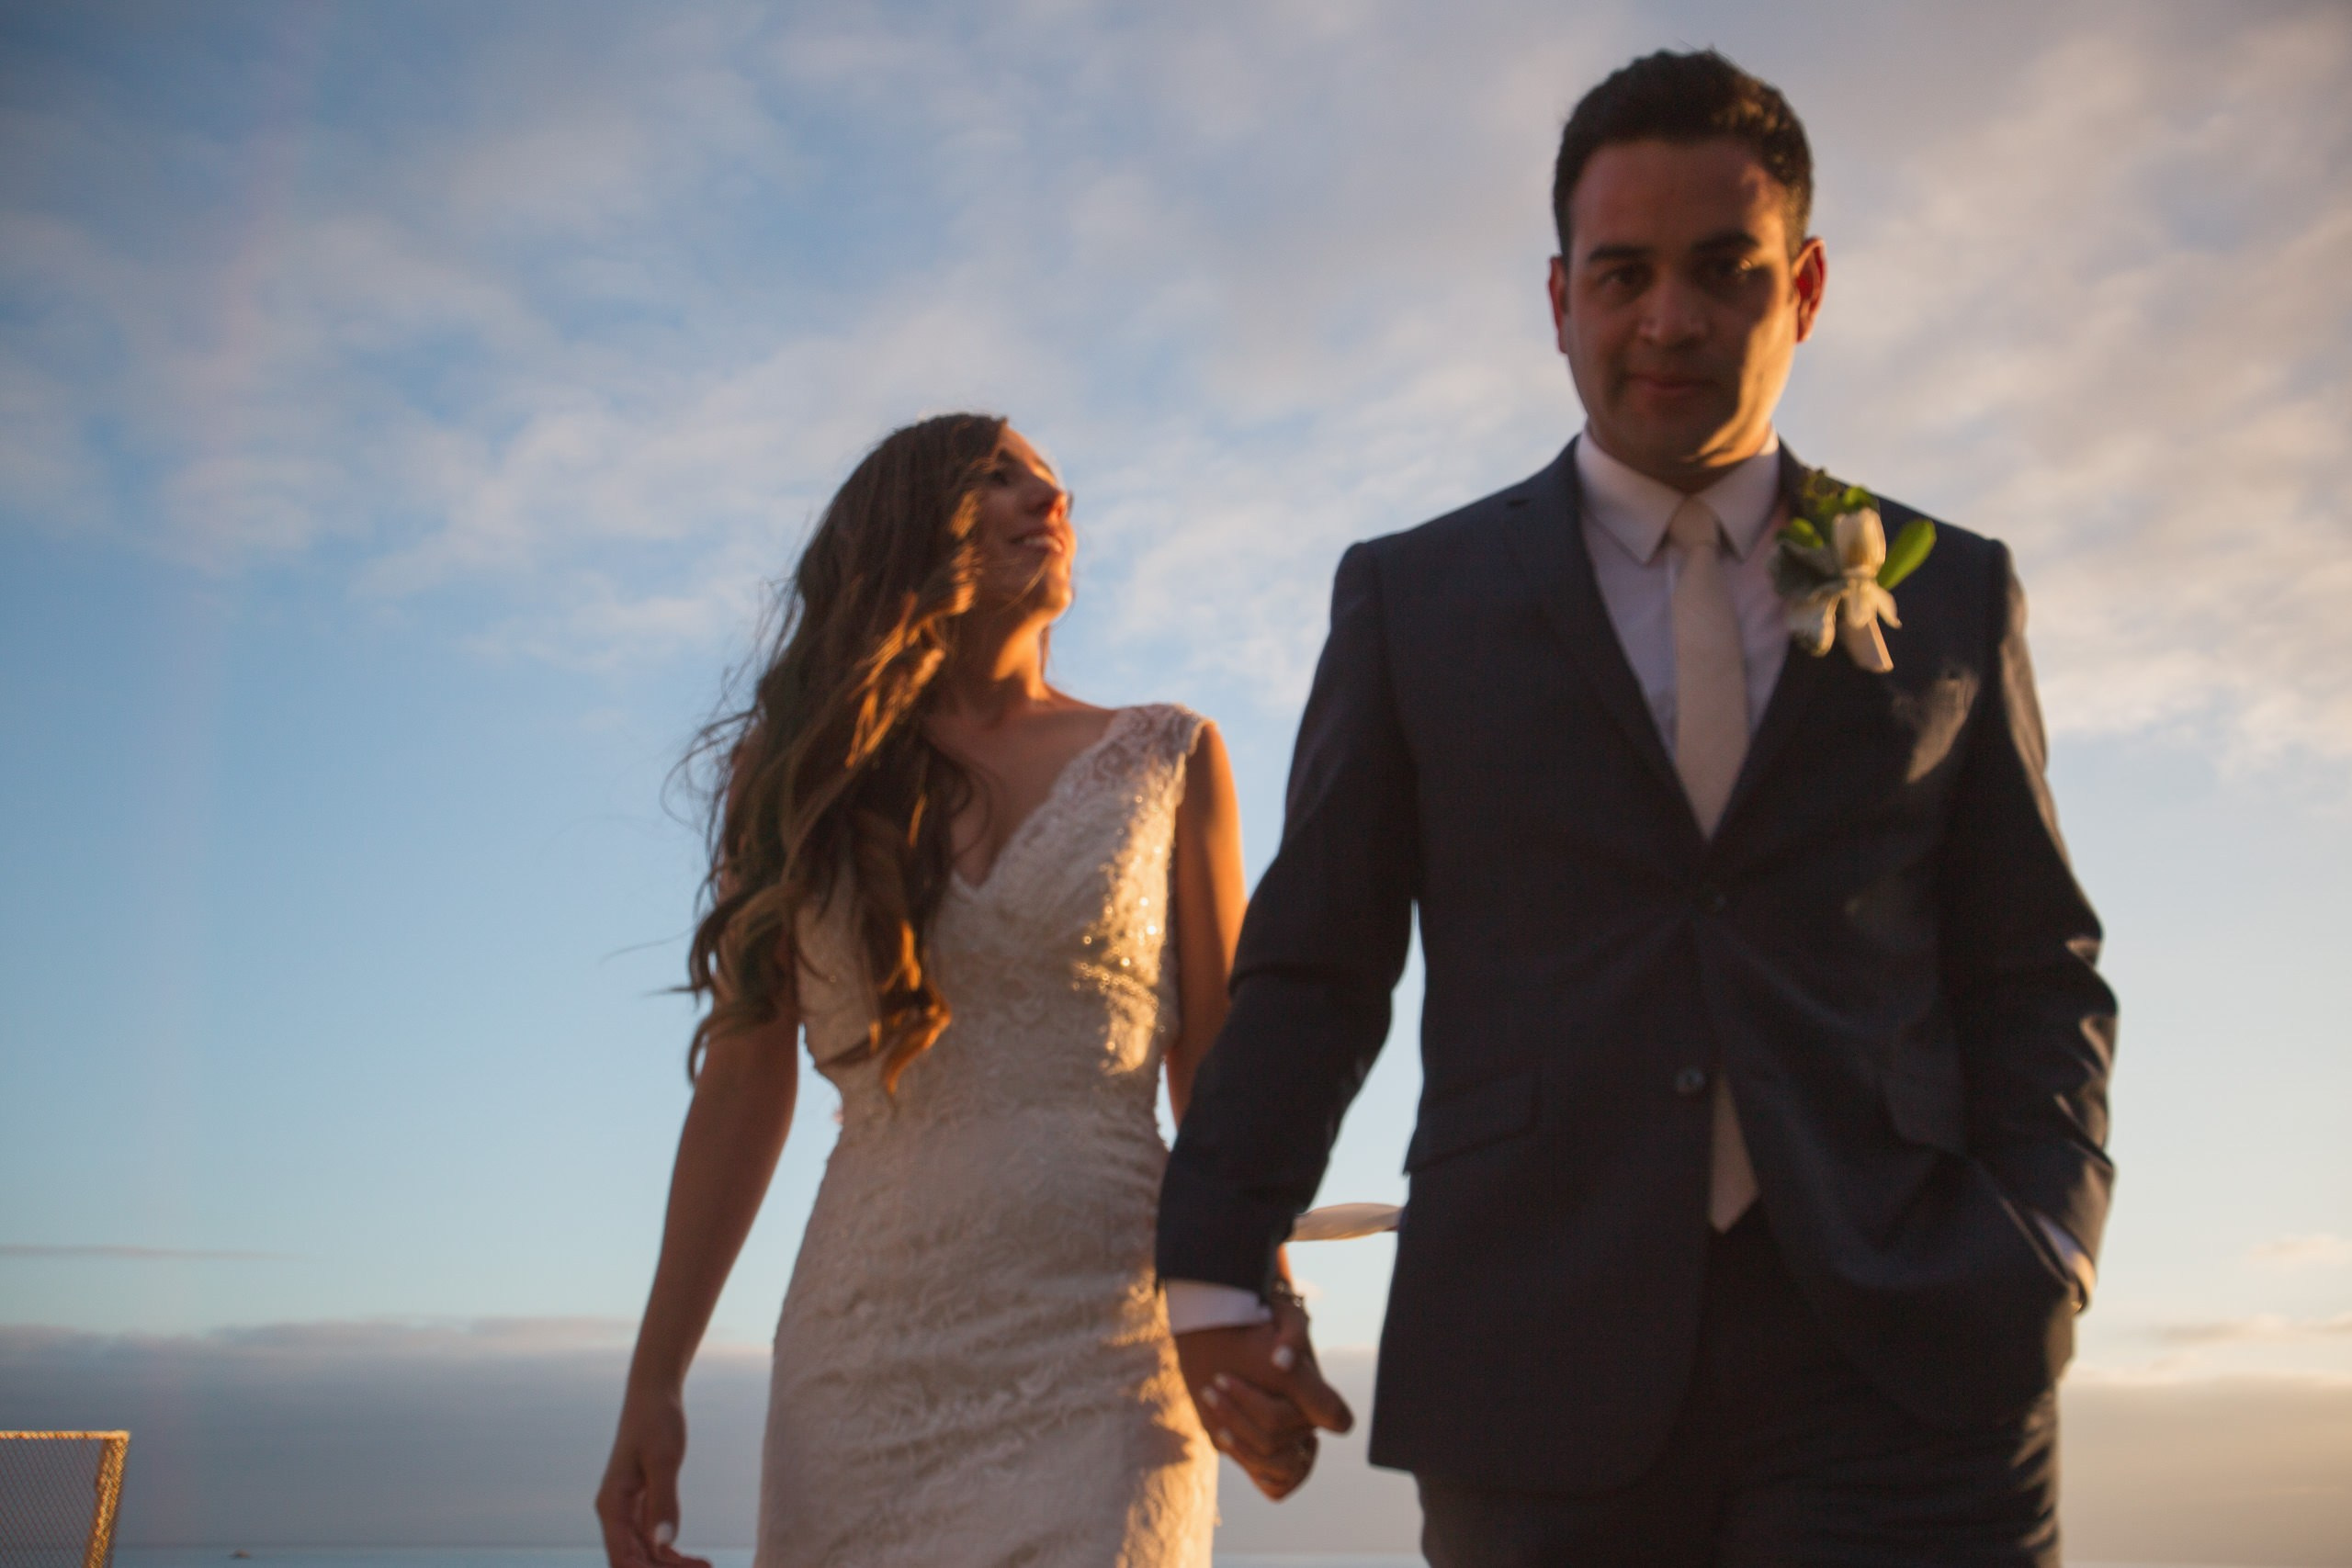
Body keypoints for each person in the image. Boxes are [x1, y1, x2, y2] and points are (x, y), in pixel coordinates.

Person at [1156, 49, 2117, 1567]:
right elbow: (1319, 965)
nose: (1669, 318)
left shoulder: (1953, 590)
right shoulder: (1414, 599)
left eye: (1724, 271)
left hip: (1912, 1361)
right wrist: (1211, 1267)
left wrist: (2046, 1244)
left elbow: (2033, 968)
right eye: (1624, 274)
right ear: (1559, 300)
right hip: (1533, 1357)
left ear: (1802, 288)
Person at [594, 414, 1306, 1567]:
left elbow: (1218, 1075)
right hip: (862, 1363)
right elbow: (739, 1082)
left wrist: (1259, 1299)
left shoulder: (1169, 756)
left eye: (1056, 482)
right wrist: (654, 1381)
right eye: (1002, 477)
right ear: (903, 529)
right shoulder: (793, 782)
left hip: (1108, 1348)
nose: (1048, 500)